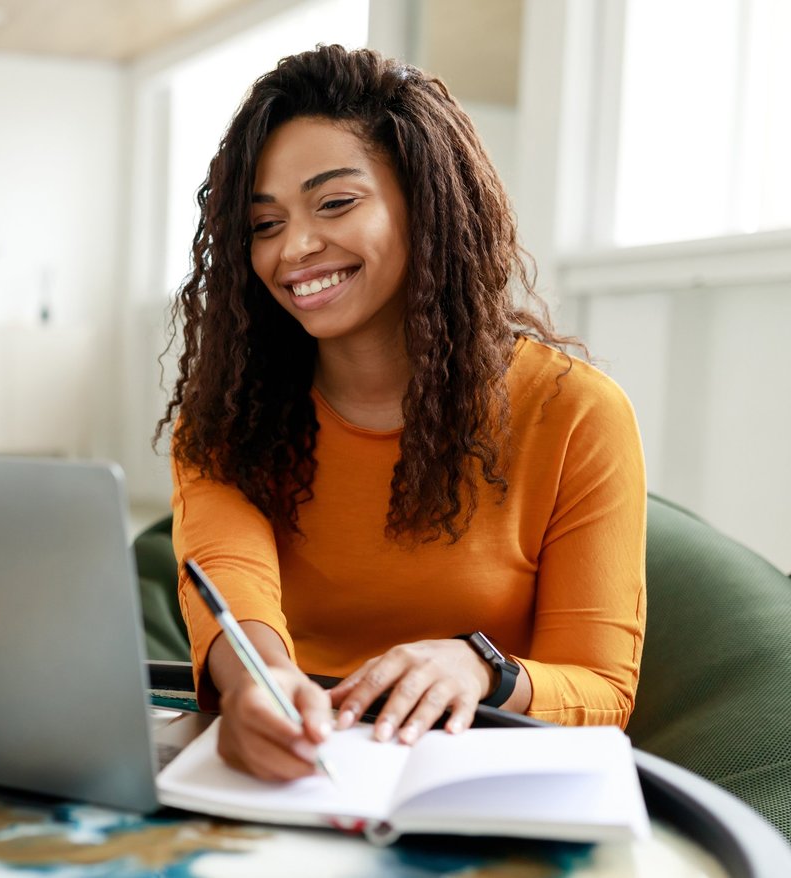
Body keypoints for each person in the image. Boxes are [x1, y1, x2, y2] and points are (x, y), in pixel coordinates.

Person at [156, 45, 646, 782]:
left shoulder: (575, 412)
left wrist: (482, 668)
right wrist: (255, 681)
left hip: (480, 776)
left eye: (335, 202)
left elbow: (603, 689)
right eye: (264, 224)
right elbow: (232, 578)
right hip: (292, 769)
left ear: (428, 200)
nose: (296, 248)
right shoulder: (227, 412)